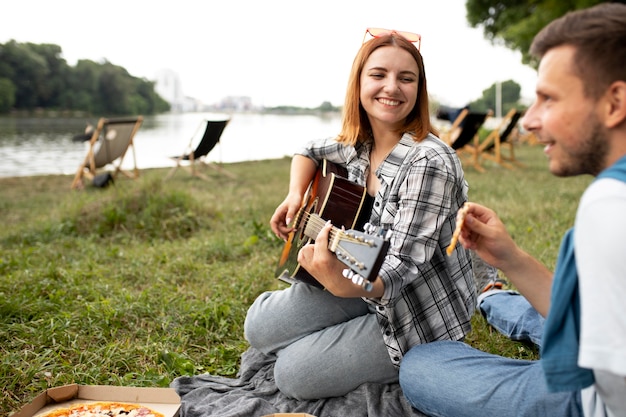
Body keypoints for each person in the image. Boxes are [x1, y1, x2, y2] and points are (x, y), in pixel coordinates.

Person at [399, 3, 626, 417]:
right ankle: (493, 296)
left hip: (595, 401)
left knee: (421, 366)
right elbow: (589, 317)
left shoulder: (611, 205)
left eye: (548, 99)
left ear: (615, 103)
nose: (530, 120)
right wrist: (511, 259)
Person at [243, 28, 476, 400]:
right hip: (358, 276)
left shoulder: (430, 162)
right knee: (257, 326)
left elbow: (398, 269)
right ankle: (336, 334)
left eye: (406, 78)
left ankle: (338, 342)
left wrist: (336, 282)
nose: (392, 87)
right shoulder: (359, 145)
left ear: (419, 89)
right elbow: (308, 149)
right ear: (359, 83)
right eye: (379, 75)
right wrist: (294, 195)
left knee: (294, 375)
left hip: (415, 309)